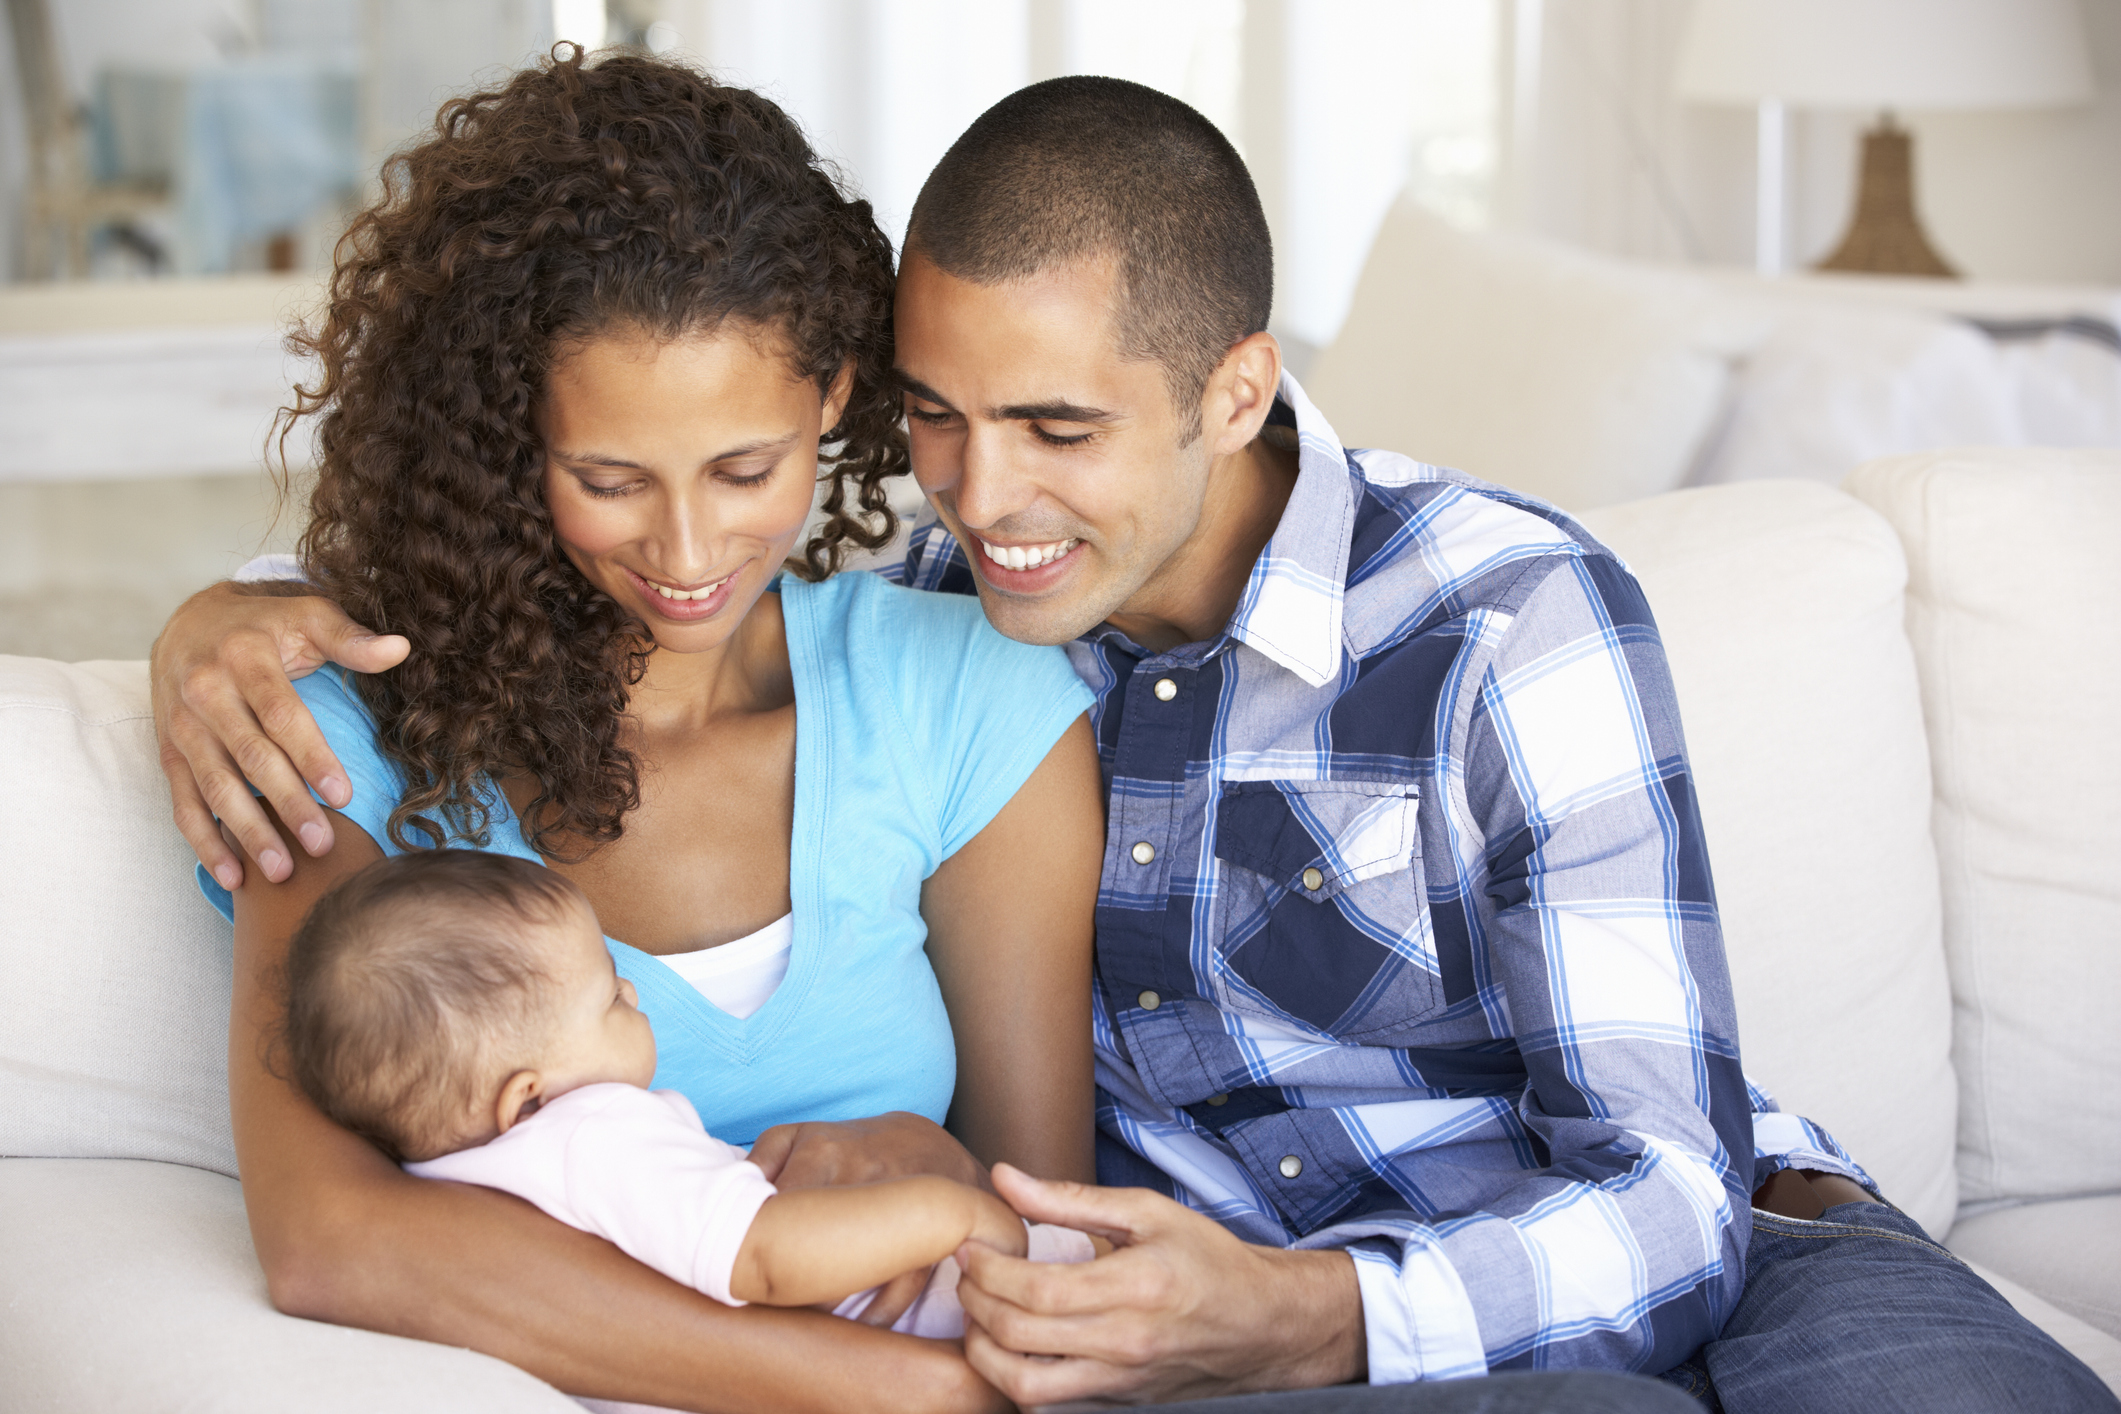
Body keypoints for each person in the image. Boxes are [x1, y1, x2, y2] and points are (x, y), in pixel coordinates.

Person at [153, 66, 2108, 1414]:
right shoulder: (947, 608)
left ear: (1236, 385)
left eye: (1058, 430)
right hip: (1225, 1314)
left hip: (1679, 1243)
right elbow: (561, 553)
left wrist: (1297, 1309)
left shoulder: (1502, 620)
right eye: (932, 417)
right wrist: (219, 617)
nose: (982, 493)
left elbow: (1670, 1194)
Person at [169, 49, 1111, 1414]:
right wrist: (887, 1390)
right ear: (508, 438)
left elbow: (1042, 1204)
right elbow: (329, 1240)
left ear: (835, 395)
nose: (685, 552)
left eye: (746, 468)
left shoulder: (970, 699)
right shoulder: (335, 725)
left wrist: (940, 1162)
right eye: (606, 478)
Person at [281, 849, 1095, 1342]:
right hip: (935, 1323)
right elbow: (767, 1256)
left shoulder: (451, 1186)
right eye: (608, 996)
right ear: (525, 1100)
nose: (634, 994)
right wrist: (952, 1214)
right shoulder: (590, 1135)